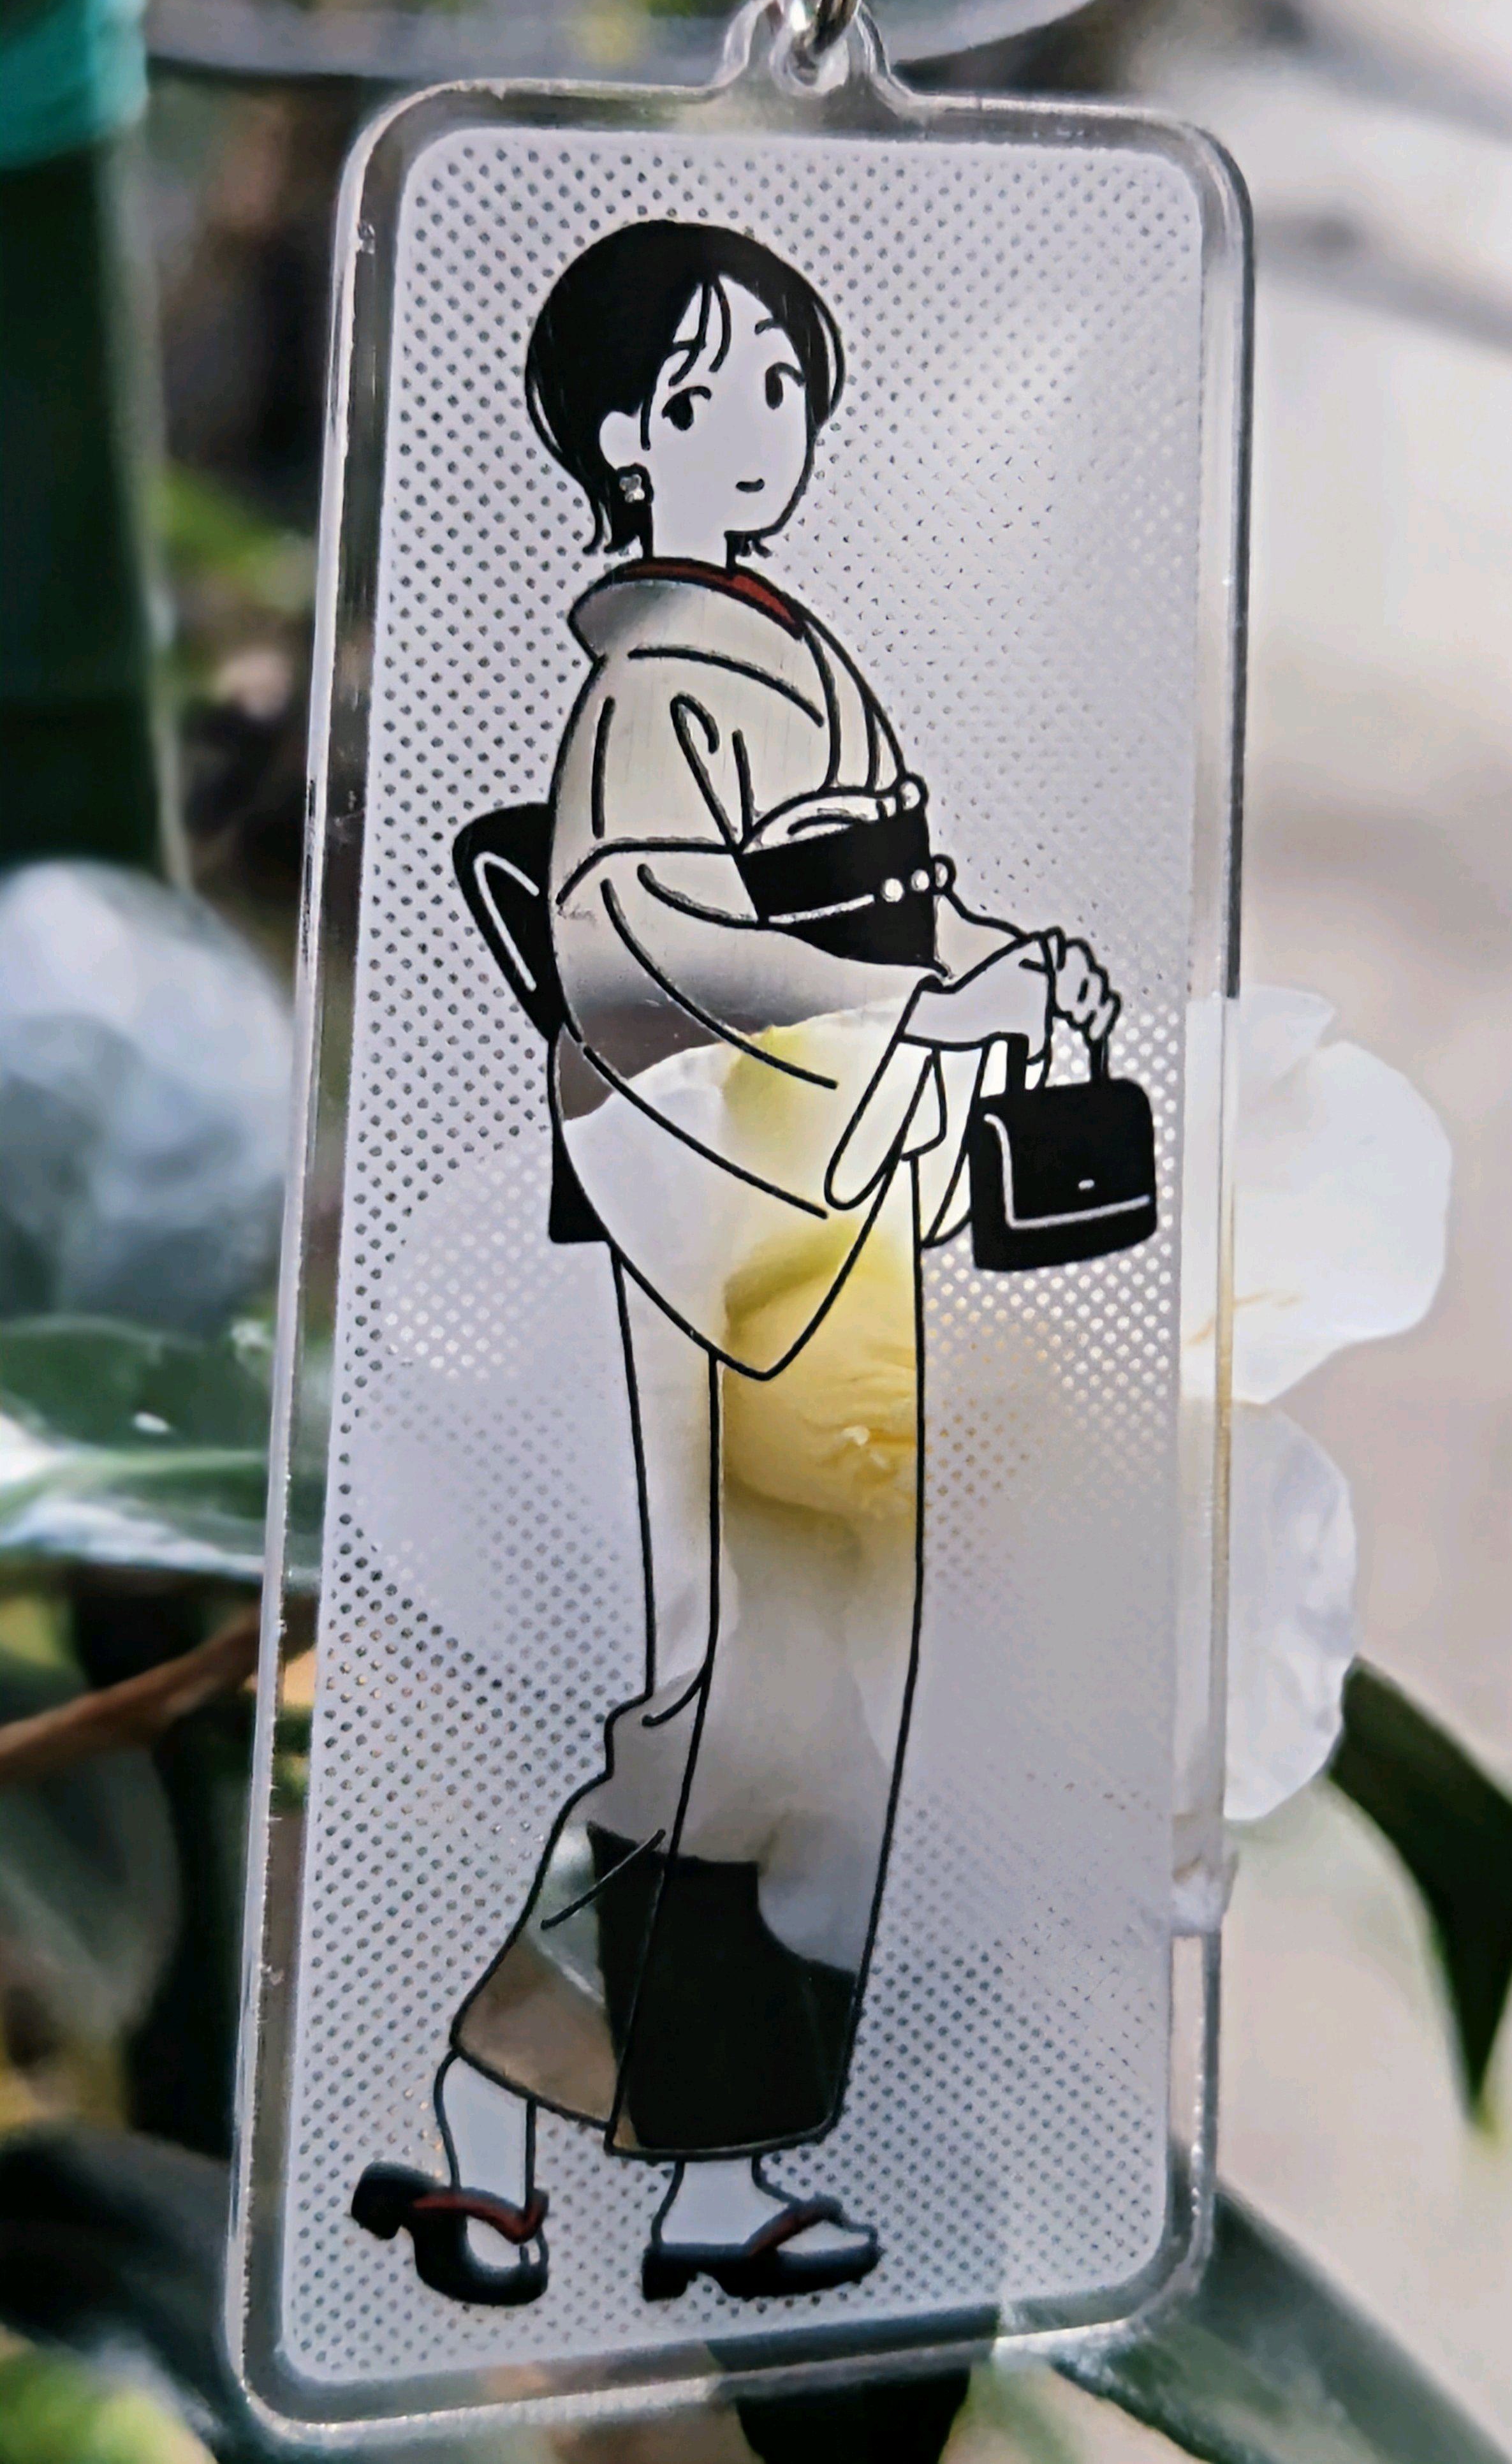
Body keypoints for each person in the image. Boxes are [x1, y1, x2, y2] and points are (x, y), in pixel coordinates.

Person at [352, 222, 1116, 2310]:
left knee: (788, 1701)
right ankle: (667, 2166)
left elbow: (881, 895)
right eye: (705, 395)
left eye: (781, 384)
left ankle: (517, 2119)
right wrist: (914, 1003)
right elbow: (631, 931)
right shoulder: (656, 682)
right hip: (745, 1198)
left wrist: (995, 961)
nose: (760, 426)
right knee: (763, 1699)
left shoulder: (786, 649)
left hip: (838, 1187)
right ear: (620, 440)